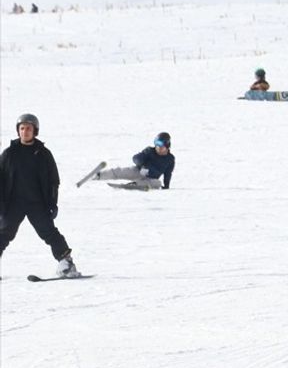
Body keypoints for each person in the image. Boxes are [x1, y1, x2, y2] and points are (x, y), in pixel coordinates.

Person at [0, 114, 78, 277]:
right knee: (3, 233)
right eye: (22, 128)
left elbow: (53, 181)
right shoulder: (9, 154)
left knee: (49, 232)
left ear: (35, 131)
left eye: (29, 128)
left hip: (37, 203)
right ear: (18, 131)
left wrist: (52, 203)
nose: (25, 131)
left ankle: (67, 264)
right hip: (13, 203)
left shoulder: (43, 154)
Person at [86, 132, 176, 190]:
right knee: (121, 171)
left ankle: (134, 185)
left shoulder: (170, 159)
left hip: (151, 178)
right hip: (138, 171)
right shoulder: (149, 151)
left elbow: (168, 174)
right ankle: (99, 175)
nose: (158, 147)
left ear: (167, 145)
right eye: (156, 144)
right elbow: (135, 158)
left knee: (157, 183)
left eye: (160, 144)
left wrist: (166, 186)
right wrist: (142, 164)